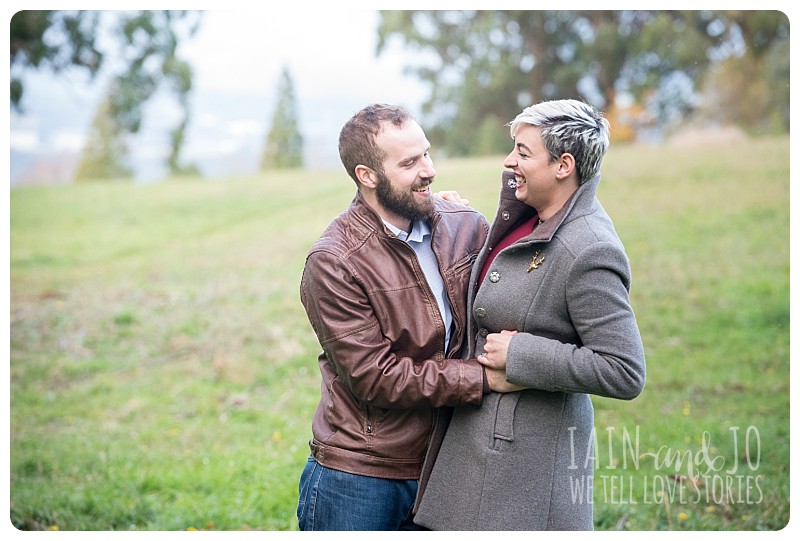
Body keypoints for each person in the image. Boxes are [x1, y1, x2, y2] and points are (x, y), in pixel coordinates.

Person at [413, 99, 647, 531]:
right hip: (476, 447)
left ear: (564, 165)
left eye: (523, 152)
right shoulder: (528, 217)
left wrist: (523, 354)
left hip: (523, 470)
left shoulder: (589, 248)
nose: (509, 161)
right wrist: (447, 217)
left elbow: (625, 369)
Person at [296, 103, 500, 530]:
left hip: (446, 464)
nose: (428, 169)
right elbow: (375, 378)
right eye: (409, 162)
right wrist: (482, 379)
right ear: (367, 176)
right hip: (361, 476)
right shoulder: (334, 261)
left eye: (426, 153)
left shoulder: (466, 226)